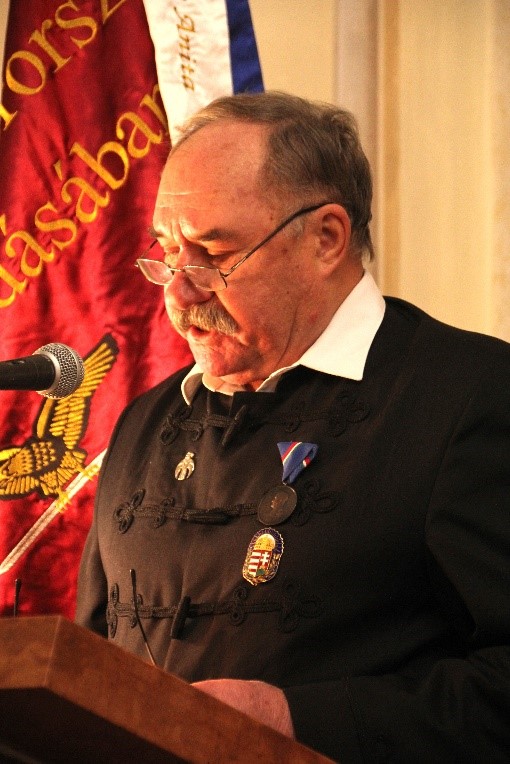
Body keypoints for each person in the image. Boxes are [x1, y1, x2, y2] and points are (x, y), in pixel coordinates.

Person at [76, 91, 510, 763]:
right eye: (167, 253)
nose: (178, 292)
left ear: (326, 238)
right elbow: (90, 668)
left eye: (212, 253)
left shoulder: (470, 396)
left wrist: (294, 719)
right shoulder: (144, 422)